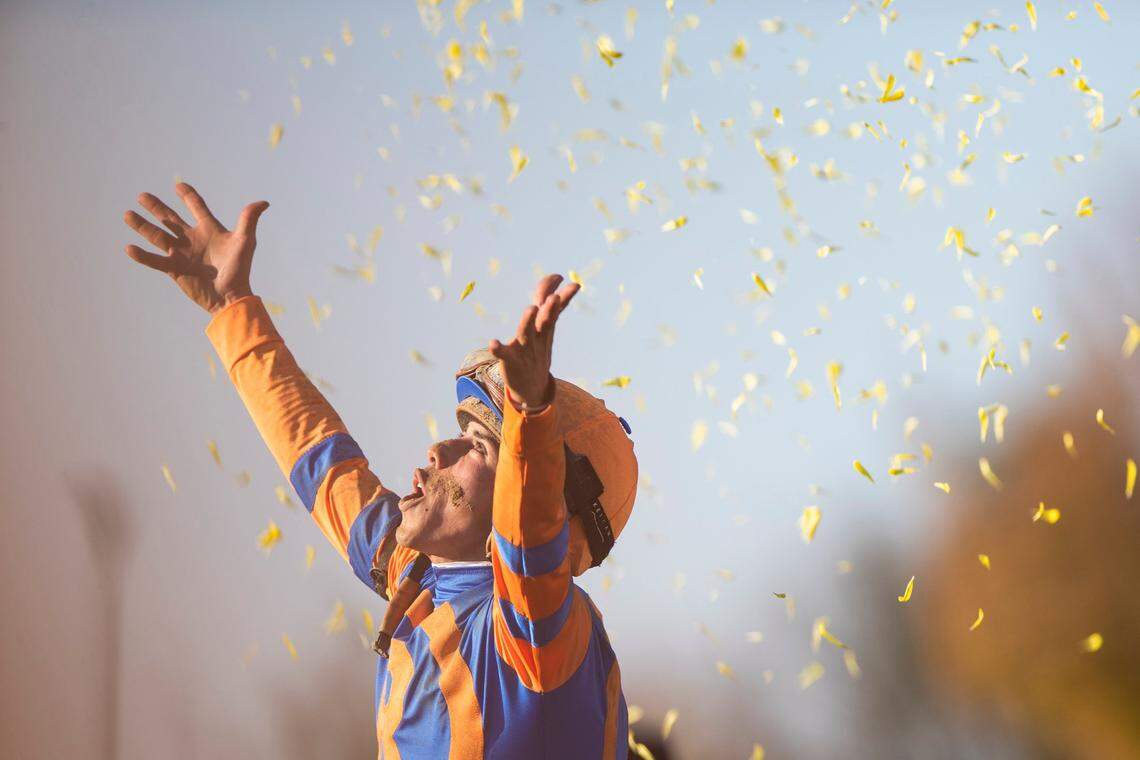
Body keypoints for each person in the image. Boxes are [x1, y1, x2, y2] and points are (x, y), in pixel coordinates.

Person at [122, 183, 639, 759]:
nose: (436, 452)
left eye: (477, 445)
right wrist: (233, 310)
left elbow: (531, 543)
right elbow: (321, 461)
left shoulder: (541, 636)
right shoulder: (415, 572)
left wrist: (532, 416)